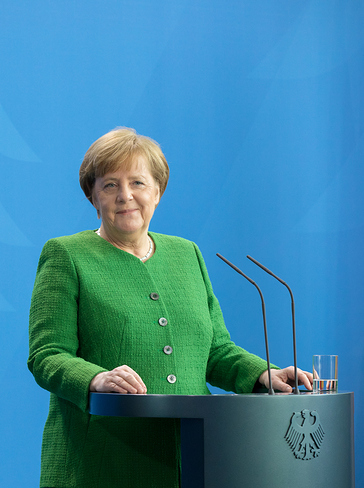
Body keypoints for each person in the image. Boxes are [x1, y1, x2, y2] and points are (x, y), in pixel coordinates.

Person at [26, 127, 312, 487]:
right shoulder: (66, 255)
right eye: (110, 185)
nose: (125, 196)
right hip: (102, 461)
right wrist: (97, 379)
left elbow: (215, 351)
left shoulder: (187, 254)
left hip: (195, 457)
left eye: (138, 183)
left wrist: (261, 374)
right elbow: (47, 355)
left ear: (157, 192)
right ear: (93, 196)